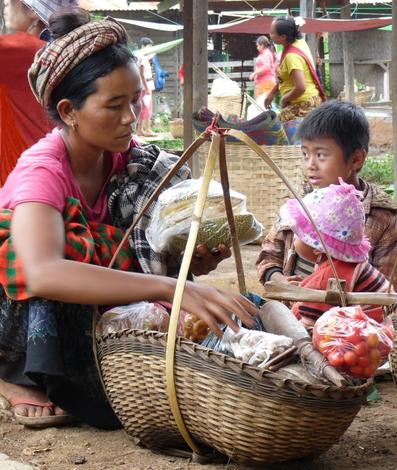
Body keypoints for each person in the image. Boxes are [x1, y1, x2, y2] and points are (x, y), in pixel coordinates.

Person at [0, 9, 256, 430]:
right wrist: (168, 286)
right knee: (54, 250)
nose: (130, 117)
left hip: (93, 302)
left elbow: (136, 252)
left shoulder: (135, 166)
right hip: (21, 308)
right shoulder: (42, 170)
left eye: (135, 100)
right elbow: (41, 272)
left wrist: (187, 263)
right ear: (68, 111)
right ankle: (17, 374)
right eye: (114, 106)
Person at [256, 101, 397, 291]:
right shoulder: (299, 204)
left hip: (345, 318)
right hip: (290, 311)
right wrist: (281, 282)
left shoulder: (382, 219)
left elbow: (384, 294)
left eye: (320, 155)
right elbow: (268, 257)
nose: (310, 165)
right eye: (305, 154)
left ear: (356, 159)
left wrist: (326, 295)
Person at [279, 179, 392, 329]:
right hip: (377, 330)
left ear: (317, 248)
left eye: (298, 235)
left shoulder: (328, 277)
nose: (294, 238)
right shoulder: (344, 266)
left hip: (360, 337)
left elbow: (307, 328)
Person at [0, 0, 75, 184]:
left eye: (11, 1)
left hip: (24, 170)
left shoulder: (21, 50)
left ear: (33, 12)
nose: (6, 5)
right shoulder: (56, 50)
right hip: (53, 165)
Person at [264, 16, 326, 122]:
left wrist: (284, 99)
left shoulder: (291, 56)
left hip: (303, 106)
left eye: (272, 33)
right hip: (309, 101)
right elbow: (284, 78)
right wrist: (273, 93)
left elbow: (301, 87)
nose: (270, 35)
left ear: (283, 36)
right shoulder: (299, 43)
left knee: (277, 131)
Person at [136, 37, 155, 137]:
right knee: (145, 108)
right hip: (145, 85)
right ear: (143, 46)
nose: (150, 48)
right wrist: (146, 87)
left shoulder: (142, 56)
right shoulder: (142, 57)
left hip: (146, 84)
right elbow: (141, 73)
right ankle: (145, 130)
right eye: (149, 46)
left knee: (146, 107)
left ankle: (143, 129)